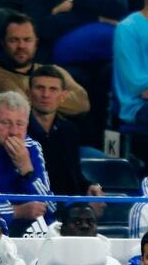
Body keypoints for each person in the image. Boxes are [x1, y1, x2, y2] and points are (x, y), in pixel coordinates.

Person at [0, 91, 56, 234]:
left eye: (20, 124)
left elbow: (49, 206)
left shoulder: (32, 148)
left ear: (27, 125)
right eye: (6, 123)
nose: (13, 132)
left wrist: (27, 170)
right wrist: (17, 211)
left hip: (25, 230)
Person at [0, 14, 90, 118]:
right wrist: (57, 95)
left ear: (36, 43)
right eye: (14, 40)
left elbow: (82, 103)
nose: (21, 46)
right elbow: (23, 106)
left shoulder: (55, 70)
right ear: (3, 43)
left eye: (27, 40)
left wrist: (36, 99)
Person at [27, 65, 100, 197]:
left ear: (63, 96)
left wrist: (90, 186)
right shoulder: (19, 129)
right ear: (29, 93)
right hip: (31, 204)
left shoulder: (69, 130)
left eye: (53, 89)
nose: (46, 95)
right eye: (40, 88)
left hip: (67, 207)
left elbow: (74, 177)